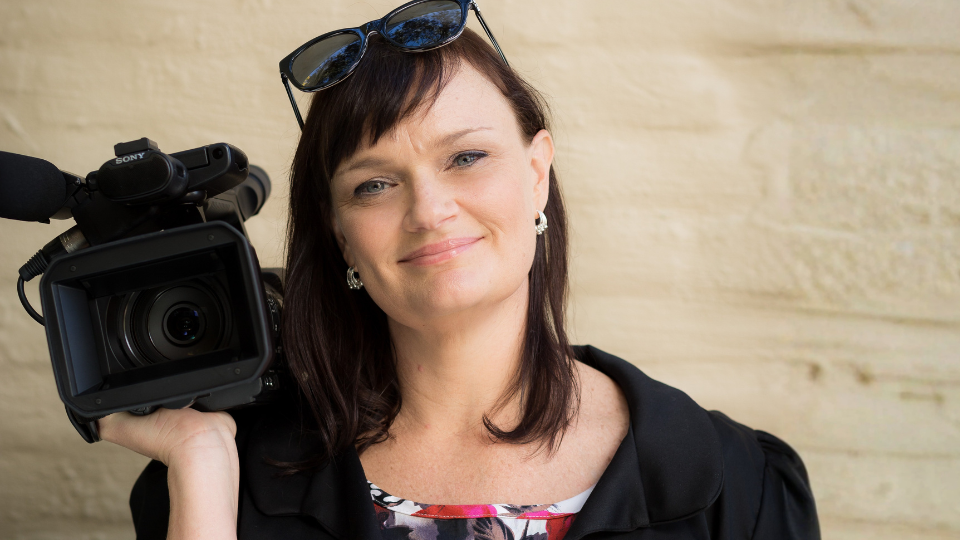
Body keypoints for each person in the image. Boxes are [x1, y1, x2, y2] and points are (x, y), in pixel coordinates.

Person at [99, 2, 820, 539]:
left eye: (466, 157)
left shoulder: (736, 486)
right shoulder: (226, 484)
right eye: (373, 185)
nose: (430, 210)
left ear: (537, 175)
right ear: (342, 238)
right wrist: (198, 466)